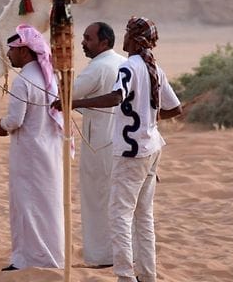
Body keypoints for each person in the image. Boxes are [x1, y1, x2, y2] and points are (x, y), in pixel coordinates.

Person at [53, 16, 182, 282]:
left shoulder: (129, 67)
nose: (122, 38)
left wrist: (73, 102)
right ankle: (148, 275)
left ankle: (125, 276)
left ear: (134, 39)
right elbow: (175, 109)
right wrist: (148, 117)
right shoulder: (155, 67)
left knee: (120, 216)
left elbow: (115, 97)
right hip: (152, 147)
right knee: (143, 216)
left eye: (126, 33)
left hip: (131, 151)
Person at [0, 24, 64, 271]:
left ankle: (27, 260)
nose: (8, 55)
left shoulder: (24, 80)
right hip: (50, 150)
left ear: (24, 51)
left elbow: (14, 121)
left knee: (26, 205)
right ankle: (50, 256)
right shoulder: (48, 77)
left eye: (11, 50)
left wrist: (1, 125)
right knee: (48, 204)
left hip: (29, 152)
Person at [71, 22, 124, 268]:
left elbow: (67, 94)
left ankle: (101, 257)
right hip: (124, 143)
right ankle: (122, 253)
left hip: (99, 144)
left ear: (104, 42)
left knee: (96, 199)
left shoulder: (98, 68)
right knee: (120, 201)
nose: (83, 43)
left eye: (88, 38)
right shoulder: (124, 62)